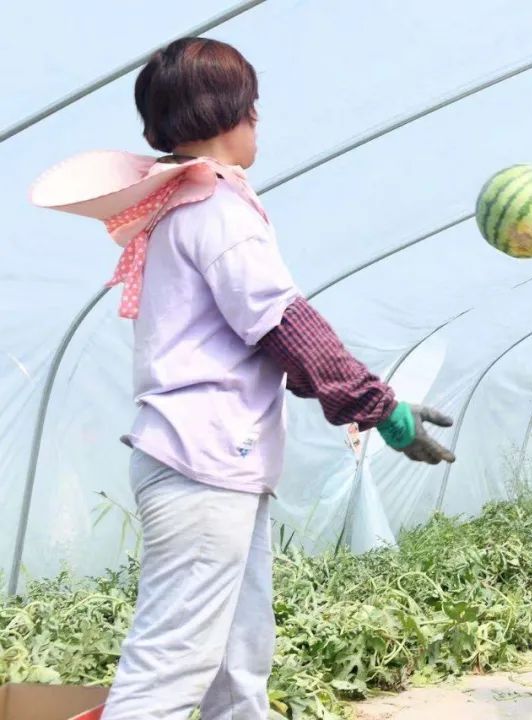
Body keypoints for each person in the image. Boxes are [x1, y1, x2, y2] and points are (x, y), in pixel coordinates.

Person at [31, 38, 455, 719]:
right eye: (252, 105)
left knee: (236, 659)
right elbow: (286, 326)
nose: (258, 117)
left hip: (208, 465)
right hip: (203, 465)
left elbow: (255, 342)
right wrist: (385, 411)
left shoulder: (182, 208)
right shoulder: (217, 210)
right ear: (233, 113)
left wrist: (361, 401)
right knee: (171, 667)